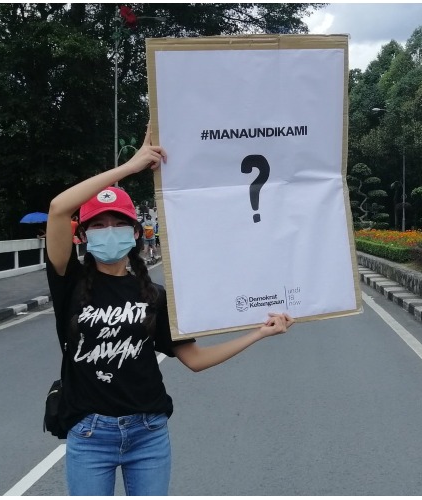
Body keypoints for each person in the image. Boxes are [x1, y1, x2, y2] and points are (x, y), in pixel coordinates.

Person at [45, 125, 295, 496]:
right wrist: (130, 167)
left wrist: (259, 333)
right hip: (89, 434)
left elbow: (195, 359)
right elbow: (58, 208)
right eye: (98, 225)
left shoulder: (155, 295)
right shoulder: (70, 283)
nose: (108, 231)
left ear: (135, 233)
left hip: (148, 433)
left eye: (119, 224)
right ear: (83, 235)